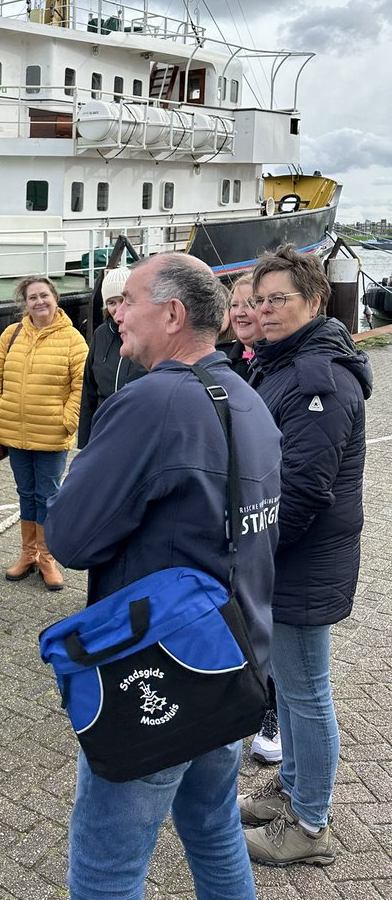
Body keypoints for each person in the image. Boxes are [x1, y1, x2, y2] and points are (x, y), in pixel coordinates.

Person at [46, 254, 282, 900]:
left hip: (157, 678)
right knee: (212, 828)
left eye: (130, 300)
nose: (116, 312)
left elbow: (68, 536)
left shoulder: (151, 402)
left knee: (106, 867)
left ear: (173, 314)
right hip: (232, 667)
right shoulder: (249, 399)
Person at [239, 245, 371, 868]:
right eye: (259, 301)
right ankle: (292, 788)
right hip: (288, 557)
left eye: (278, 301)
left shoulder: (318, 377)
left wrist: (252, 555)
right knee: (289, 689)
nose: (264, 312)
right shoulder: (284, 363)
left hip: (301, 558)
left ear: (314, 302)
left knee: (307, 690)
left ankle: (309, 824)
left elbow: (303, 491)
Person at [0, 275, 87, 590]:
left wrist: (67, 420)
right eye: (32, 297)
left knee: (49, 496)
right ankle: (28, 554)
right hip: (14, 432)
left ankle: (47, 558)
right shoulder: (11, 334)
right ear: (24, 303)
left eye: (44, 295)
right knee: (26, 494)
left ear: (55, 297)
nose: (39, 302)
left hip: (52, 435)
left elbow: (81, 386)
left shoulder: (73, 339)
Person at [224, 273, 282, 765]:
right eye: (237, 304)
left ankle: (273, 713)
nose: (243, 312)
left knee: (268, 620)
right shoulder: (239, 364)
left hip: (265, 517)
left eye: (253, 303)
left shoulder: (272, 368)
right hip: (239, 513)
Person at [77, 266, 146, 449]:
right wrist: (84, 444)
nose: (117, 309)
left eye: (123, 300)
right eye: (111, 302)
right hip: (103, 432)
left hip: (139, 433)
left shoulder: (148, 336)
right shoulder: (101, 335)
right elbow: (89, 390)